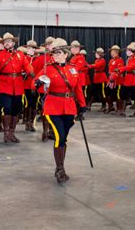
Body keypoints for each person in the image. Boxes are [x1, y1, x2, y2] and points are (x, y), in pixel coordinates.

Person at [35, 38, 86, 184]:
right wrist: (39, 83)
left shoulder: (72, 69)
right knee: (59, 136)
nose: (54, 56)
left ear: (65, 53)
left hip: (69, 107)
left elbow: (78, 89)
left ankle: (60, 167)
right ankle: (60, 169)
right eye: (53, 53)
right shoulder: (48, 68)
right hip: (53, 107)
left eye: (58, 53)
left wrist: (82, 106)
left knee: (64, 138)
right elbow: (37, 85)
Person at [0, 32, 34, 143]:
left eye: (9, 41)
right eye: (5, 42)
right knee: (7, 108)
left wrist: (31, 73)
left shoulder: (20, 54)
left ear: (14, 43)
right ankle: (6, 133)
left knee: (16, 110)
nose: (7, 44)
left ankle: (12, 133)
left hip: (18, 86)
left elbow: (27, 65)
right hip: (4, 85)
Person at [32, 36, 55, 142]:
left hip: (56, 90)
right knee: (46, 111)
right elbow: (34, 73)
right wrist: (35, 85)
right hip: (44, 90)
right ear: (46, 47)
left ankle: (52, 131)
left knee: (55, 112)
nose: (52, 46)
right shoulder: (42, 58)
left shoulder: (59, 57)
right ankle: (45, 132)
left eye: (53, 44)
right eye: (49, 44)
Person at [116, 43, 135, 117]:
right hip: (128, 78)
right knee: (123, 94)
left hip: (133, 79)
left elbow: (131, 66)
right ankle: (123, 111)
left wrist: (120, 69)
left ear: (131, 51)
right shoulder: (129, 58)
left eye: (127, 51)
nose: (126, 52)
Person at [22, 40, 38, 132]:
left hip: (35, 85)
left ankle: (31, 122)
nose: (29, 50)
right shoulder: (24, 58)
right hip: (25, 85)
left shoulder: (38, 59)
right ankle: (27, 121)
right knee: (27, 104)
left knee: (34, 105)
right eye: (28, 48)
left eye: (32, 48)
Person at [87, 48, 107, 112]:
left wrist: (89, 65)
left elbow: (96, 66)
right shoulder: (96, 60)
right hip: (96, 78)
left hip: (101, 78)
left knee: (102, 93)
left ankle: (104, 106)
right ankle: (89, 104)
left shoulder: (102, 60)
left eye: (96, 53)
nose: (95, 54)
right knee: (93, 92)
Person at [106, 45, 124, 115]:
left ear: (117, 52)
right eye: (111, 51)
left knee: (118, 95)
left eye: (113, 51)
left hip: (117, 80)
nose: (112, 53)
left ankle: (119, 109)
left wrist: (114, 77)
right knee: (108, 93)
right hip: (110, 79)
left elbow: (119, 71)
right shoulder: (111, 60)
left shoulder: (120, 60)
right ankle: (110, 107)